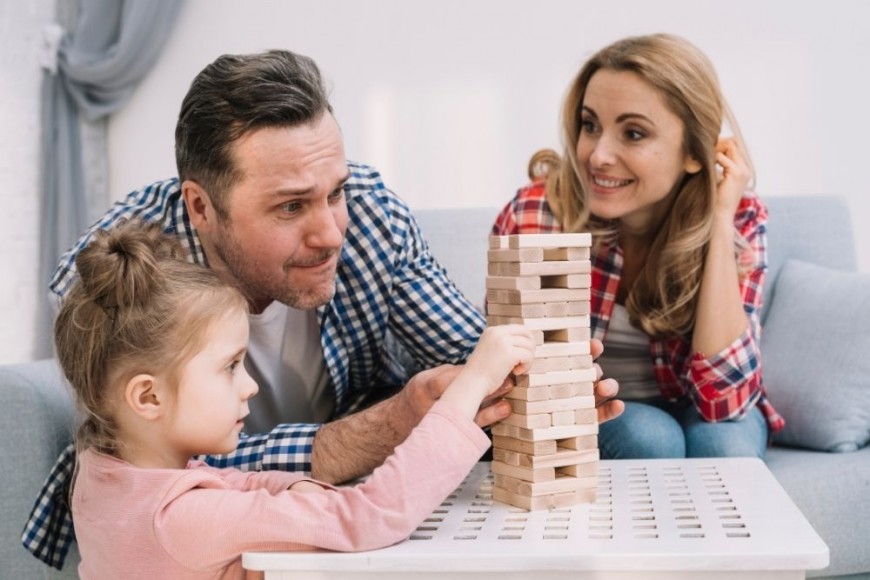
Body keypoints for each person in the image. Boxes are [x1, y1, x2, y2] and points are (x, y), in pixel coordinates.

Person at [24, 49, 622, 568]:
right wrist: (375, 431)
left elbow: (470, 354)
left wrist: (536, 388)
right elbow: (161, 458)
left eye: (334, 192)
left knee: (633, 433)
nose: (333, 232)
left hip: (303, 491)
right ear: (201, 207)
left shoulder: (369, 216)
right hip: (263, 507)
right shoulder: (123, 278)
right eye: (290, 208)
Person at [55, 219, 535, 578]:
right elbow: (370, 516)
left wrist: (292, 491)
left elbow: (230, 487)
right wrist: (471, 384)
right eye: (229, 368)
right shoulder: (181, 520)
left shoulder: (104, 475)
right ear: (148, 396)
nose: (250, 386)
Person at [492, 34, 783, 460]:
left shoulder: (738, 216)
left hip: (697, 404)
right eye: (590, 126)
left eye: (632, 133)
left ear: (694, 153)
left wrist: (719, 221)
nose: (597, 155)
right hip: (590, 408)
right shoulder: (540, 212)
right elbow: (517, 379)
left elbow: (726, 401)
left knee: (725, 444)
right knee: (650, 437)